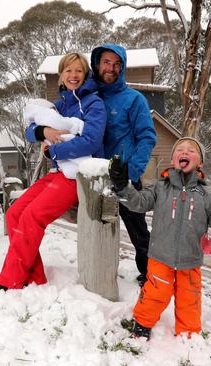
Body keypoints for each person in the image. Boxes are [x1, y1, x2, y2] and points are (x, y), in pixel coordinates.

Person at [108, 137, 211, 339]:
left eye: (191, 150)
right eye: (179, 150)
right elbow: (138, 202)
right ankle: (142, 325)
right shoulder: (159, 187)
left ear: (200, 162)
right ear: (173, 160)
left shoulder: (207, 194)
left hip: (190, 259)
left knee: (189, 298)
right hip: (160, 257)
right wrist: (123, 186)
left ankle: (189, 336)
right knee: (155, 294)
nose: (184, 152)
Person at [0, 52, 106, 298]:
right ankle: (33, 276)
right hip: (57, 172)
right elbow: (29, 130)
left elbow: (91, 142)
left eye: (78, 71)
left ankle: (10, 280)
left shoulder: (94, 104)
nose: (73, 75)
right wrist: (44, 130)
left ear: (86, 74)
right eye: (68, 71)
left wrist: (53, 150)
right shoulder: (59, 105)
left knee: (32, 217)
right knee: (15, 213)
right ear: (61, 75)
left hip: (77, 176)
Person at [91, 44, 157, 287]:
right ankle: (98, 269)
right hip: (96, 177)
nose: (112, 68)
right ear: (97, 64)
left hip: (126, 177)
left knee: (138, 231)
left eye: (117, 64)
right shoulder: (89, 98)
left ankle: (149, 274)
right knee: (98, 225)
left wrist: (132, 172)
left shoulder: (134, 99)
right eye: (107, 62)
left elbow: (147, 137)